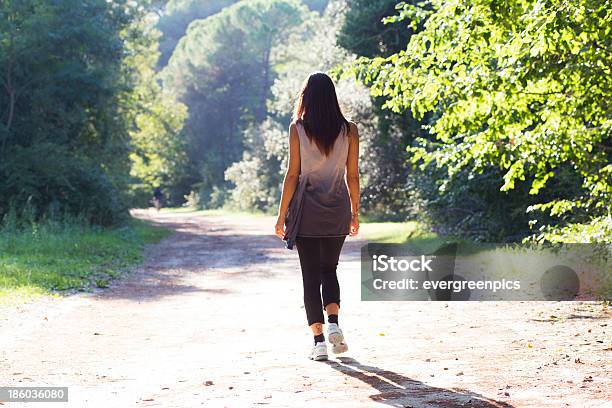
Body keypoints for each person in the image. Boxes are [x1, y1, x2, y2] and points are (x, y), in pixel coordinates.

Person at [275, 72, 360, 361]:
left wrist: (280, 216)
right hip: (337, 209)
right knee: (329, 270)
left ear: (306, 97)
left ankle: (319, 342)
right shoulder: (350, 130)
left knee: (310, 277)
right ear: (332, 97)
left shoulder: (297, 128)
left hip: (306, 212)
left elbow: (292, 175)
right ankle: (334, 323)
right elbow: (353, 175)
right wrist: (355, 212)